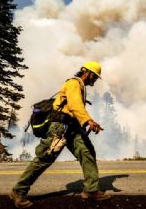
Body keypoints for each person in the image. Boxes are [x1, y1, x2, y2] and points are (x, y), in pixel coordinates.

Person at [9, 61, 111, 208]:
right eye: (94, 76)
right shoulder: (74, 83)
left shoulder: (79, 85)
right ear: (87, 72)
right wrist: (88, 120)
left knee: (87, 152)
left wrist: (82, 125)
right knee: (44, 158)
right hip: (59, 128)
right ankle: (18, 191)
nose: (95, 80)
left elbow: (72, 109)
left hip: (71, 127)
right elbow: (75, 105)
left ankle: (91, 190)